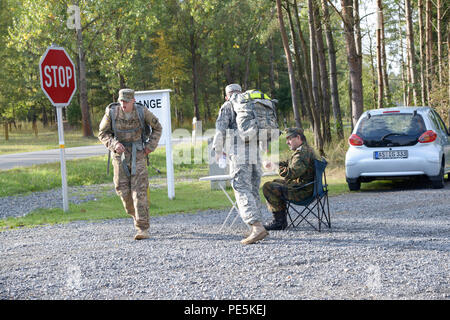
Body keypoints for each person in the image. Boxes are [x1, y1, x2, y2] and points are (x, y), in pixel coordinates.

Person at [98, 88, 162, 240]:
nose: (123, 104)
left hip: (138, 154)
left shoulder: (142, 112)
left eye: (126, 101)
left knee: (139, 192)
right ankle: (136, 216)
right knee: (123, 191)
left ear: (133, 100)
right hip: (119, 157)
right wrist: (114, 144)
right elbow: (102, 133)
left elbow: (157, 128)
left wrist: (149, 147)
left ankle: (142, 228)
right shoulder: (112, 112)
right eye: (121, 101)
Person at [212, 83, 268, 245]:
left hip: (239, 153)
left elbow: (220, 129)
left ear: (227, 95)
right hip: (256, 153)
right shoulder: (250, 105)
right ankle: (258, 225)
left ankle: (256, 227)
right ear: (241, 92)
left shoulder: (228, 105)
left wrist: (218, 150)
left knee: (241, 187)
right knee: (252, 189)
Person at [262, 127, 316, 230]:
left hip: (302, 191)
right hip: (307, 187)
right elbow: (289, 163)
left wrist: (275, 167)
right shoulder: (304, 150)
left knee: (268, 187)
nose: (287, 142)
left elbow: (292, 173)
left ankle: (279, 222)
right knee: (275, 182)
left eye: (289, 138)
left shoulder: (301, 154)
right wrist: (275, 163)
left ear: (298, 137)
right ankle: (280, 221)